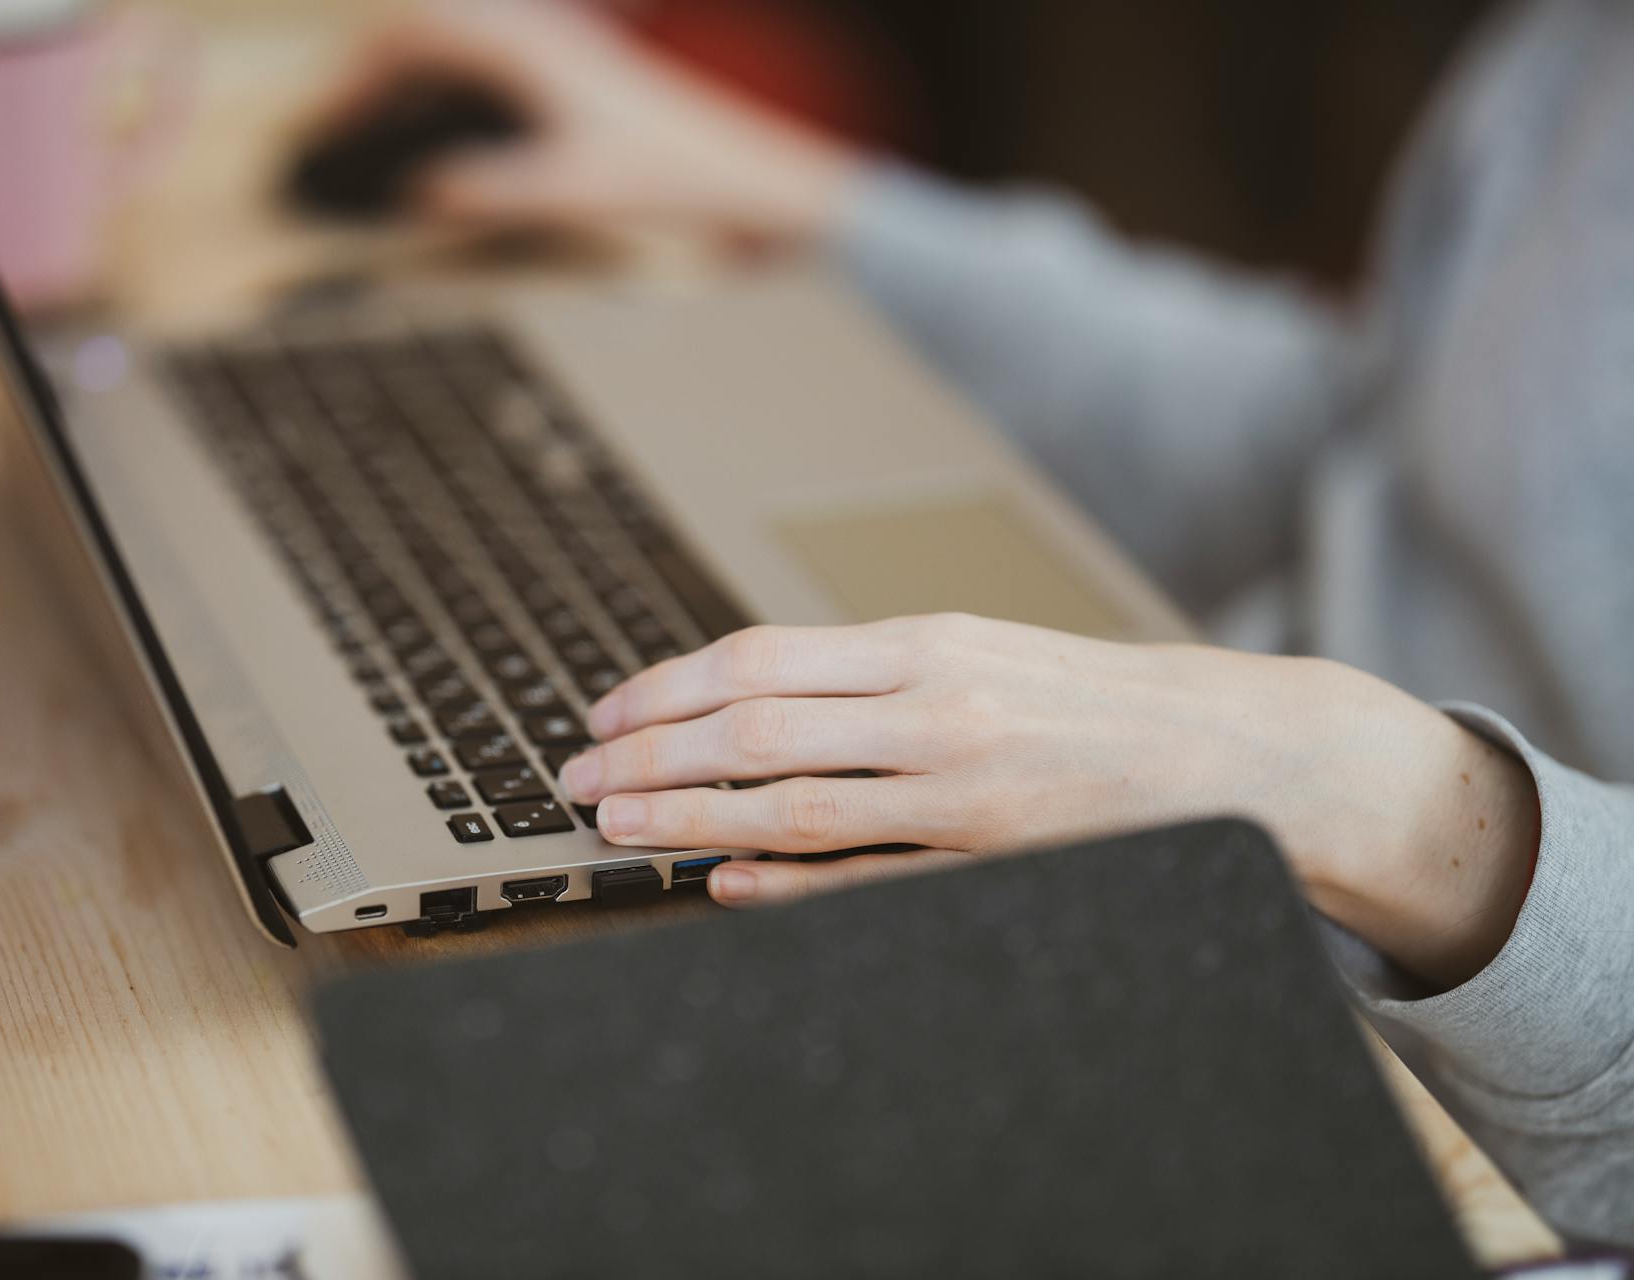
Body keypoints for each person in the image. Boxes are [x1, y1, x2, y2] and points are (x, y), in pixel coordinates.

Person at [320, 0, 1634, 1245]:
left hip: (1461, 1141)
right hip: (1212, 877)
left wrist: (1393, 805)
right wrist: (776, 190)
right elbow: (1362, 443)